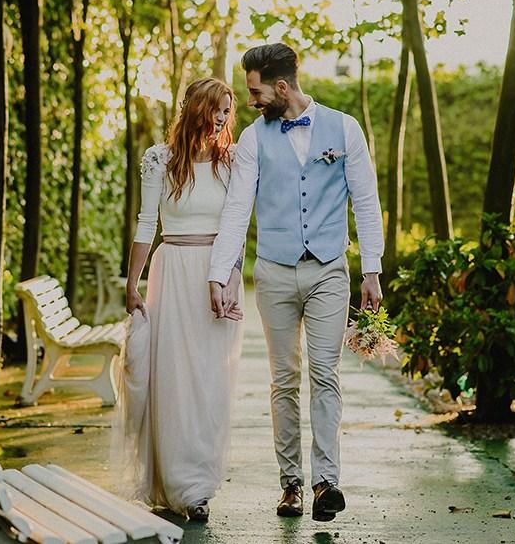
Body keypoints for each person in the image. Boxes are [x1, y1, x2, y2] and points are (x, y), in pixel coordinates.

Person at [208, 42, 384, 522]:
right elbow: (237, 209)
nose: (251, 101)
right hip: (273, 272)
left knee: (325, 374)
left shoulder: (345, 128)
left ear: (282, 86)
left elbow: (366, 201)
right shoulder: (252, 139)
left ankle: (327, 481)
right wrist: (219, 273)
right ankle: (291, 484)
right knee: (283, 380)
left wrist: (372, 269)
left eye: (256, 90)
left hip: (328, 268)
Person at [121, 77, 245, 522]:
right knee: (173, 381)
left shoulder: (231, 163)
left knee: (211, 384)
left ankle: (200, 486)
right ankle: (177, 485)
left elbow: (238, 225)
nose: (222, 116)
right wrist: (132, 283)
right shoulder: (160, 160)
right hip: (171, 272)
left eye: (228, 109)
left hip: (217, 277)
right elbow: (144, 225)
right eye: (216, 107)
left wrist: (232, 277)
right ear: (195, 107)